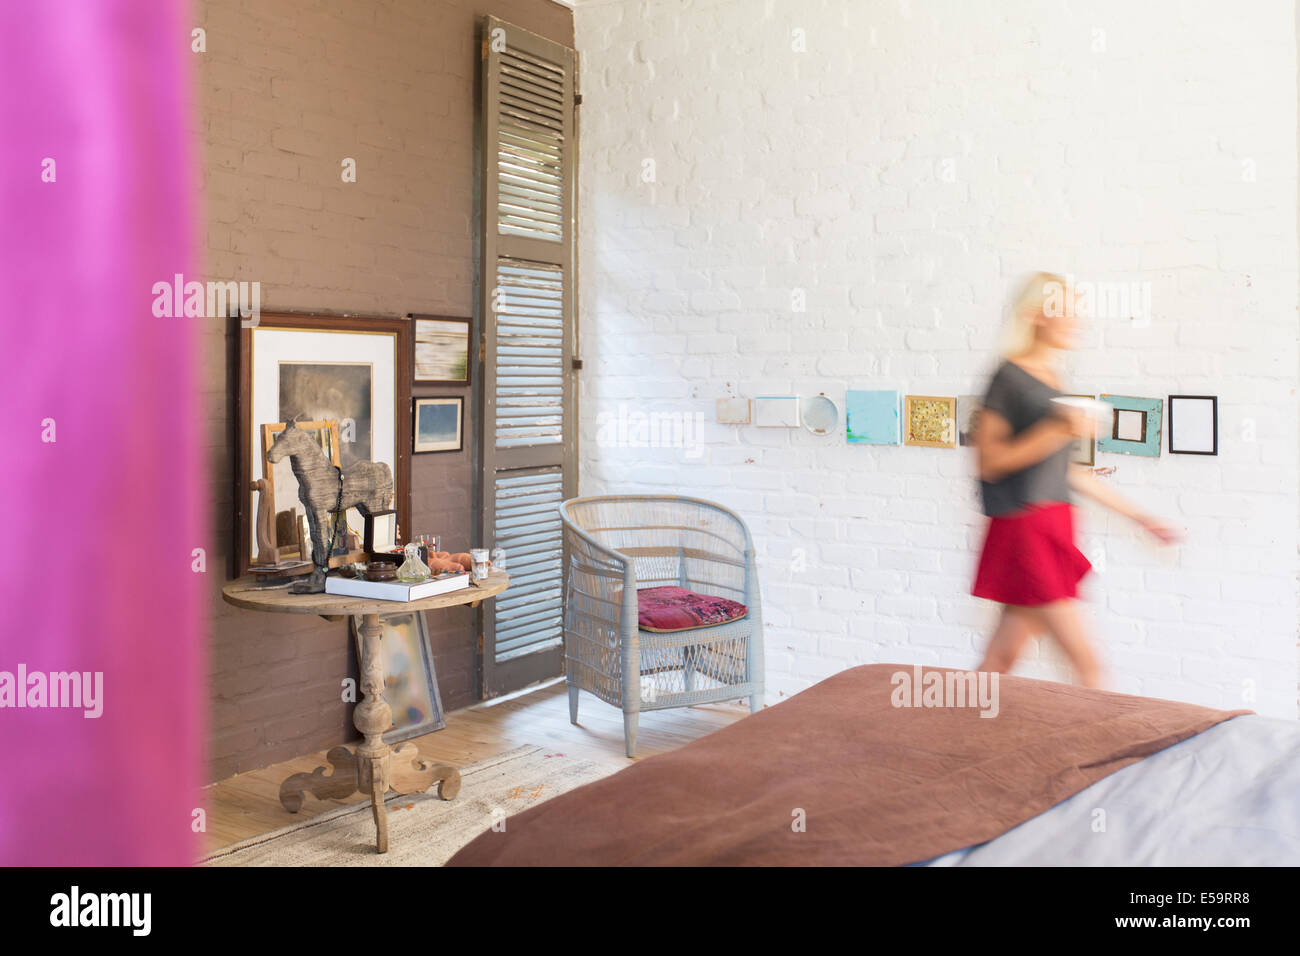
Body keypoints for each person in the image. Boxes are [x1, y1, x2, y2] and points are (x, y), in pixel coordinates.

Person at [971, 272, 1180, 688]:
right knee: (1088, 667)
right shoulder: (1008, 377)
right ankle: (1104, 752)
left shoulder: (1052, 381)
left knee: (1001, 657)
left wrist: (1141, 517)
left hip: (1053, 524)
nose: (1075, 320)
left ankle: (953, 740)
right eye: (1064, 311)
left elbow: (1065, 472)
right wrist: (1060, 430)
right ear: (1035, 315)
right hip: (1026, 527)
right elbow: (990, 463)